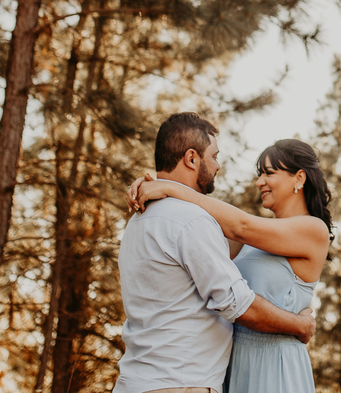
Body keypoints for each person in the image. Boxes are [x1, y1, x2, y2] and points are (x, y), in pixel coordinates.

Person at [113, 114, 316, 393]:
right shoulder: (192, 221)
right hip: (182, 382)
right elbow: (235, 298)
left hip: (146, 379)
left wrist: (168, 186)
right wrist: (300, 325)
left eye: (269, 173)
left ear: (299, 177)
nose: (218, 165)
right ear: (192, 158)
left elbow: (240, 226)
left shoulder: (141, 218)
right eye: (214, 156)